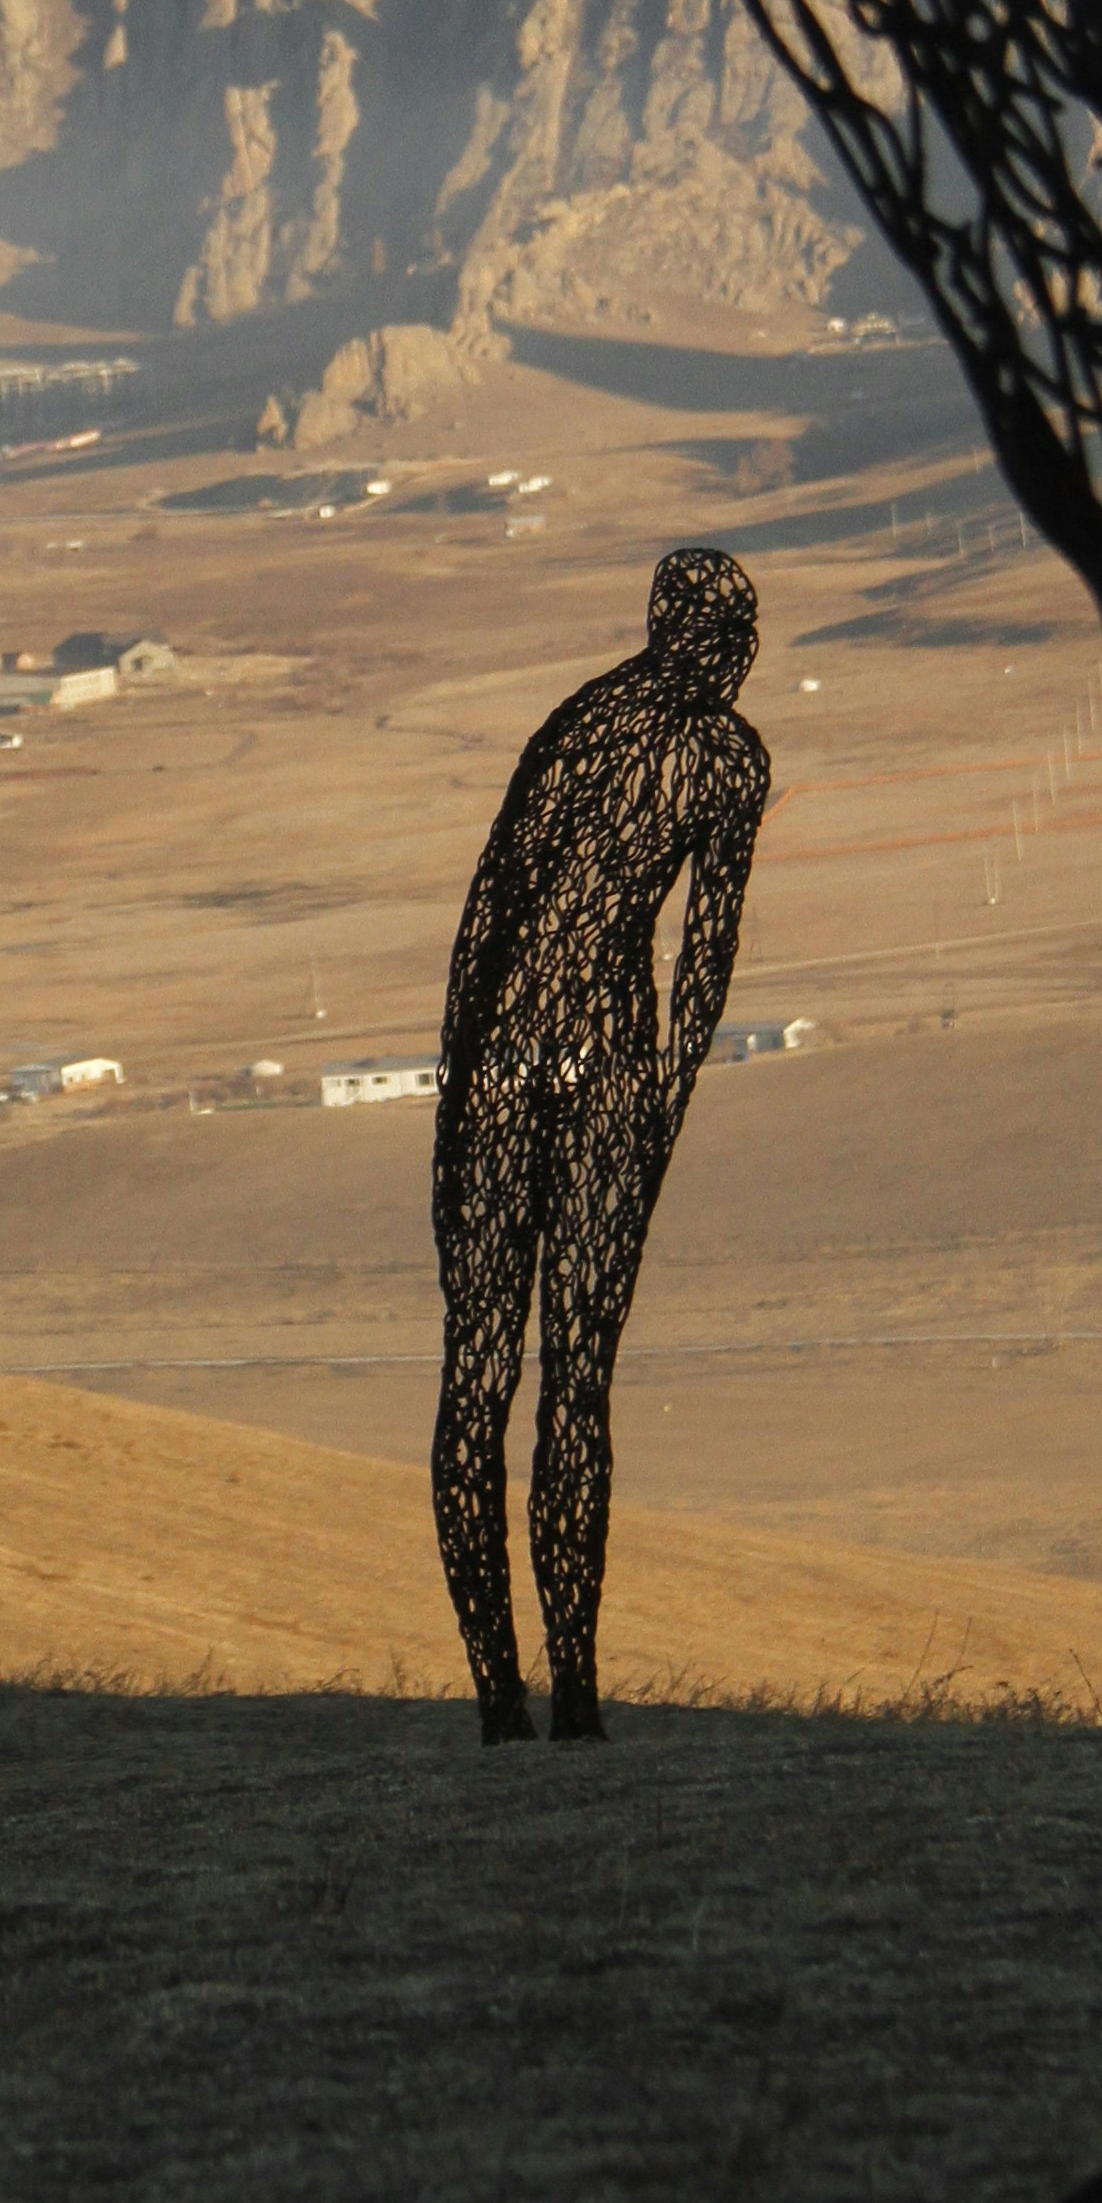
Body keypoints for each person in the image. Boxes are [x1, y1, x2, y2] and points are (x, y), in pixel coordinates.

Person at [430, 543, 769, 1742]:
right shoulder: (727, 761)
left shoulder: (573, 725)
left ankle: (497, 1695)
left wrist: (457, 1092)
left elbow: (487, 919)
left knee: (477, 1377)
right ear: (729, 645)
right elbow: (704, 967)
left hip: (499, 1069)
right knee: (575, 1382)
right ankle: (568, 1689)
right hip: (603, 1076)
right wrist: (659, 1110)